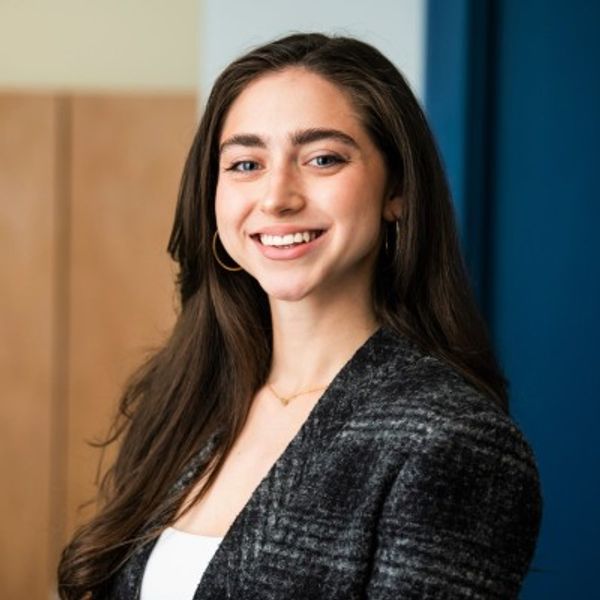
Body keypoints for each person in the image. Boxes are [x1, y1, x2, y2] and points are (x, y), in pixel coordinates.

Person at [57, 33, 541, 599]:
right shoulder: (184, 398)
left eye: (322, 158)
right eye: (245, 163)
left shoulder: (451, 440)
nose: (277, 196)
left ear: (398, 191)